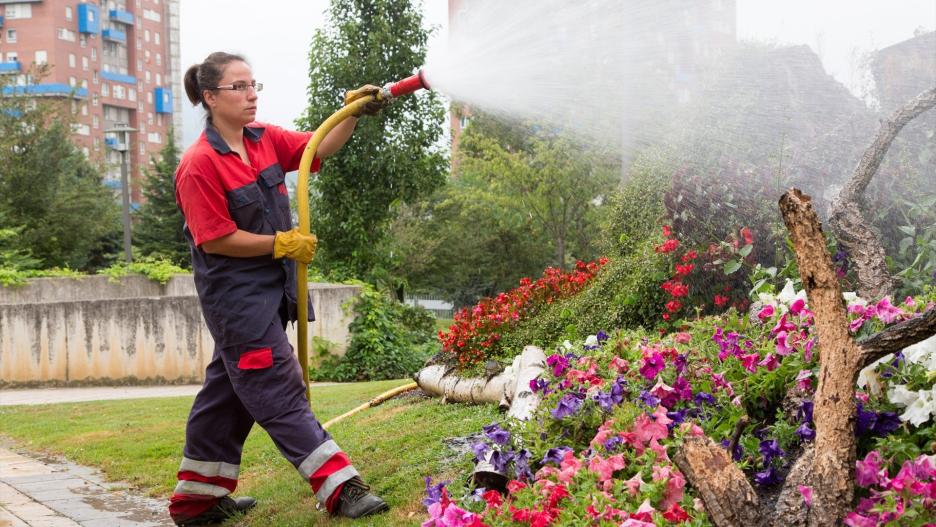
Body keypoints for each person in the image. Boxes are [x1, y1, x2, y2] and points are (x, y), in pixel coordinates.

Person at [168, 51, 388, 526]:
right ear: (210, 97)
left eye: (254, 85)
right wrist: (281, 244)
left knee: (226, 394)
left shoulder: (264, 140)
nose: (251, 95)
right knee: (275, 384)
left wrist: (349, 112)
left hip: (273, 291)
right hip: (236, 301)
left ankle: (196, 502)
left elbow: (317, 148)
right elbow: (217, 237)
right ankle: (340, 487)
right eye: (239, 87)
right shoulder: (200, 164)